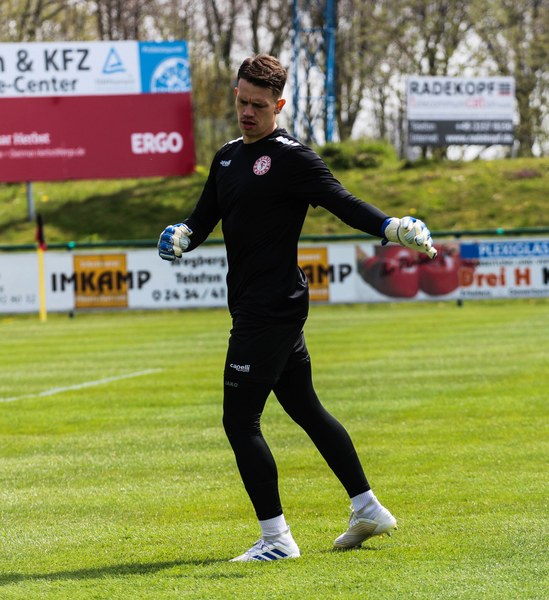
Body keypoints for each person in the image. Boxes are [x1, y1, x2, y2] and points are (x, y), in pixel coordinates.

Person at [158, 54, 437, 562]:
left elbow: (341, 201)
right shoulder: (226, 158)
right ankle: (368, 508)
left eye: (259, 106)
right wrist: (181, 236)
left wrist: (390, 227)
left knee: (239, 421)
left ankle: (276, 539)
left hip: (271, 308)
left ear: (279, 105)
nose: (247, 112)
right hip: (257, 305)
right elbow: (203, 219)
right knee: (305, 406)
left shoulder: (292, 158)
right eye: (242, 102)